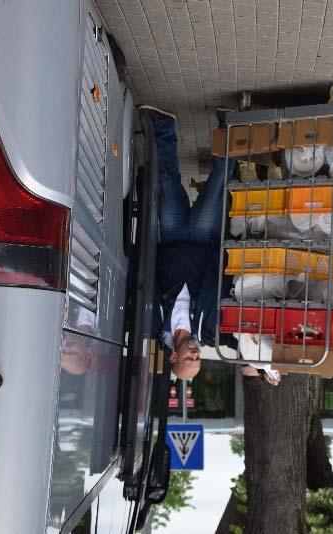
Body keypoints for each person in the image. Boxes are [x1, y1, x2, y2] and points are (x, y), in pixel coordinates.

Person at [141, 105, 235, 380]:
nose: (195, 352)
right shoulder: (208, 330)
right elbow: (221, 287)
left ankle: (163, 125)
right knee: (218, 182)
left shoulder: (155, 325)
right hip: (203, 239)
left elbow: (148, 285)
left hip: (170, 240)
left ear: (173, 356)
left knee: (167, 180)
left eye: (188, 357)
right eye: (197, 358)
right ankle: (228, 126)